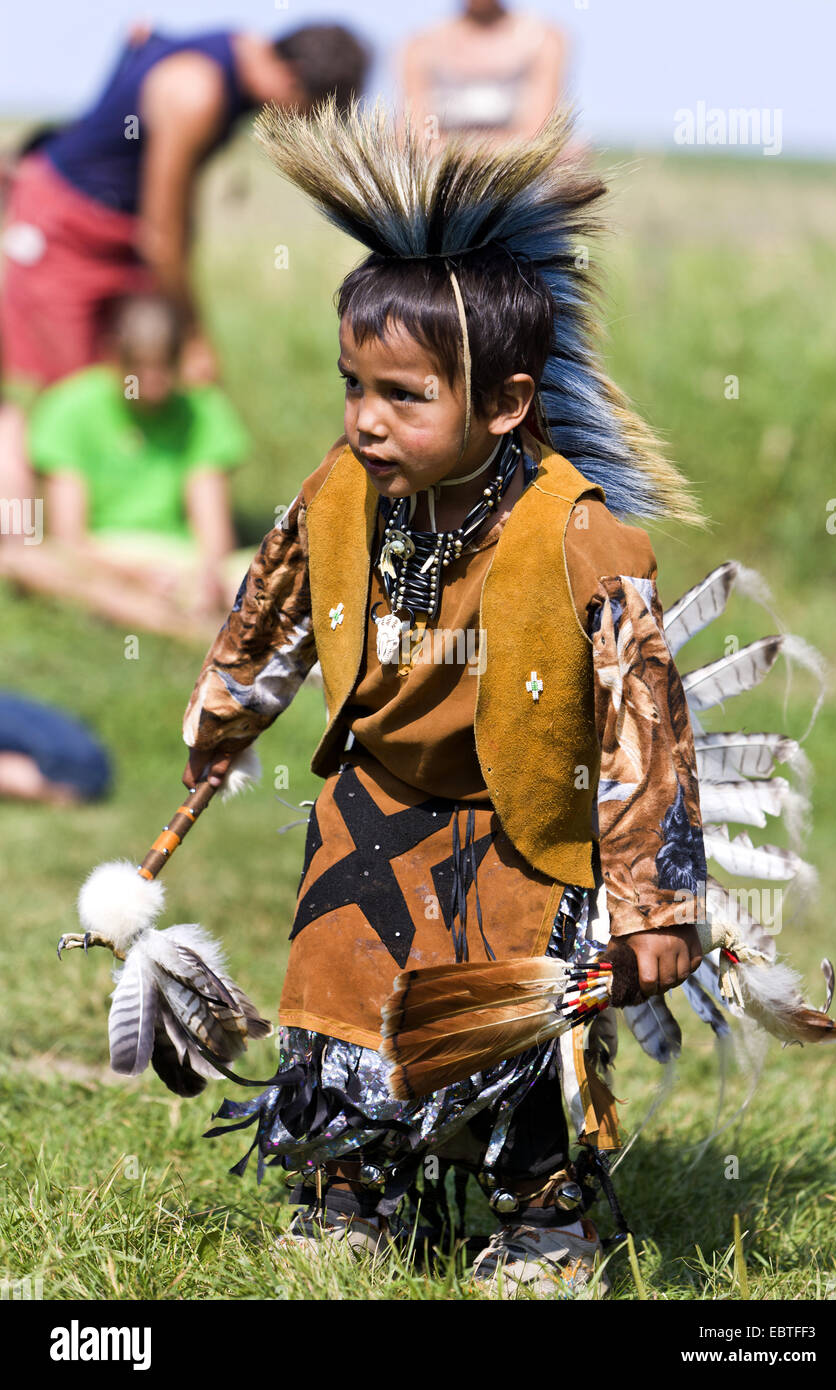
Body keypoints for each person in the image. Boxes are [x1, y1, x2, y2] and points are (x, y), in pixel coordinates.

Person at [177, 100, 713, 1297]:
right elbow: (273, 605)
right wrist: (224, 716)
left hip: (520, 816)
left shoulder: (575, 538)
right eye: (352, 385)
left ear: (505, 404)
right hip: (374, 800)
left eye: (403, 395)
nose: (365, 418)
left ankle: (540, 1220)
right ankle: (348, 1192)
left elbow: (643, 727)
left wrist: (653, 898)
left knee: (503, 1025)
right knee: (337, 990)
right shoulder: (339, 493)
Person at [0, 23, 370, 390]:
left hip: (120, 234)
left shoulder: (240, 52)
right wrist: (194, 338)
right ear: (294, 79)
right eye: (310, 111)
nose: (300, 123)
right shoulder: (198, 93)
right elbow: (161, 236)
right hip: (68, 227)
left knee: (129, 377)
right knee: (74, 392)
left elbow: (141, 35)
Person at [0, 292, 253, 641]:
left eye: (161, 368)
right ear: (112, 356)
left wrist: (202, 576)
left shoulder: (202, 411)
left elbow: (214, 539)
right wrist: (138, 574)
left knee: (268, 570)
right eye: (139, 369)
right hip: (101, 557)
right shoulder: (70, 407)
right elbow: (69, 538)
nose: (150, 384)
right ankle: (183, 627)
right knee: (26, 562)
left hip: (179, 559)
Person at [401, 1, 566, 147]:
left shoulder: (542, 42)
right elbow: (414, 137)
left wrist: (453, 152)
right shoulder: (420, 48)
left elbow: (537, 136)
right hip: (441, 178)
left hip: (518, 179)